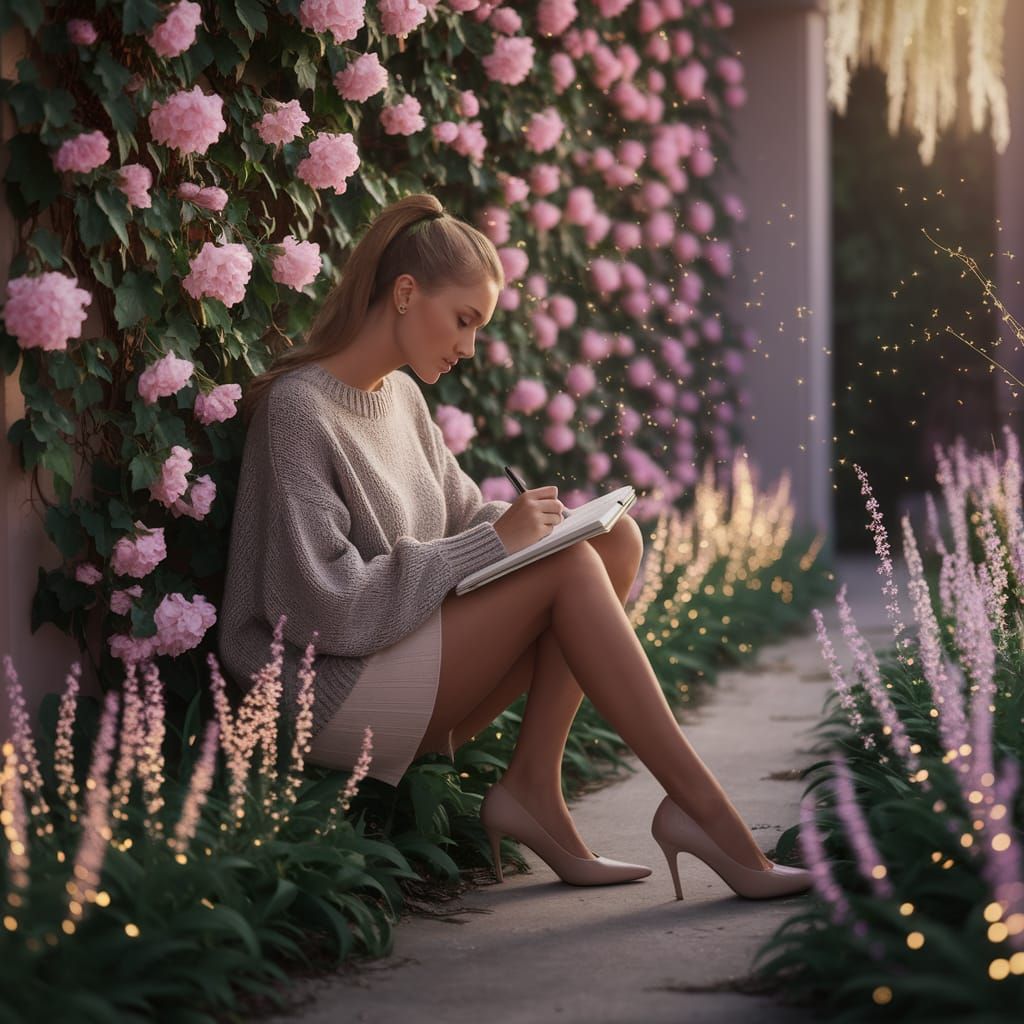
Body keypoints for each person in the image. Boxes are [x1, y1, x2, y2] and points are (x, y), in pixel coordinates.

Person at [220, 193, 812, 901]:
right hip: (331, 693)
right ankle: (701, 808)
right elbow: (326, 607)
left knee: (612, 538)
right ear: (406, 293)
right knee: (566, 565)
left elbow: (466, 516)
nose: (469, 347)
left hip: (397, 657)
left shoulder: (402, 398)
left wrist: (547, 521)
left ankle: (533, 787)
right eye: (463, 320)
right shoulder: (297, 409)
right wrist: (498, 542)